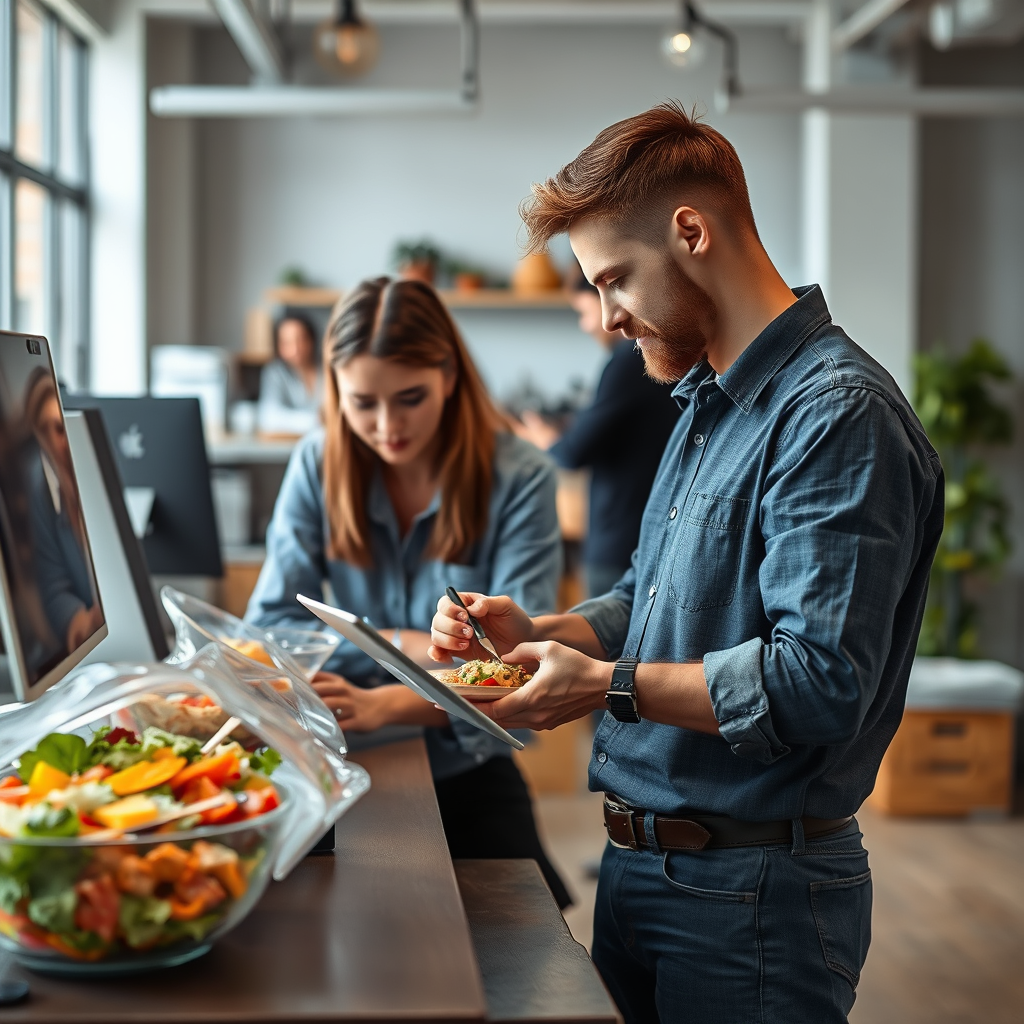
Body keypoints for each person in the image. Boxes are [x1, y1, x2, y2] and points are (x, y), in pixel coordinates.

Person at [429, 102, 944, 1023]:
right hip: (646, 872)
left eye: (614, 280)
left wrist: (602, 686)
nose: (606, 317)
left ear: (692, 231)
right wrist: (541, 631)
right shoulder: (706, 401)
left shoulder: (835, 417)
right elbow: (649, 600)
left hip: (754, 897)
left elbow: (818, 682)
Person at [246, 276, 571, 908]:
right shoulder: (317, 462)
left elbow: (515, 670)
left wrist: (386, 699)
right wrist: (404, 643)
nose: (387, 426)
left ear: (449, 375)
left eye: (410, 397)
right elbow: (266, 630)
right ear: (334, 387)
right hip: (335, 756)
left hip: (464, 766)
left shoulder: (520, 477)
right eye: (362, 402)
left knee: (517, 953)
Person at [515, 273, 680, 598]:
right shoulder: (654, 356)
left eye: (583, 311)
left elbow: (572, 453)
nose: (589, 324)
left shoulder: (630, 359)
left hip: (621, 541)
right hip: (645, 535)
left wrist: (539, 436)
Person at [25, 368, 103, 658]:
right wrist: (94, 618)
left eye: (65, 427)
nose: (63, 441)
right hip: (74, 656)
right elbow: (54, 595)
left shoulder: (87, 480)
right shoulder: (41, 494)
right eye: (54, 430)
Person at [258, 314, 324, 434]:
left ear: (312, 340)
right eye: (287, 343)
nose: (295, 349)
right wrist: (316, 420)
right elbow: (269, 417)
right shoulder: (275, 372)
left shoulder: (328, 371)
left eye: (301, 340)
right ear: (279, 346)